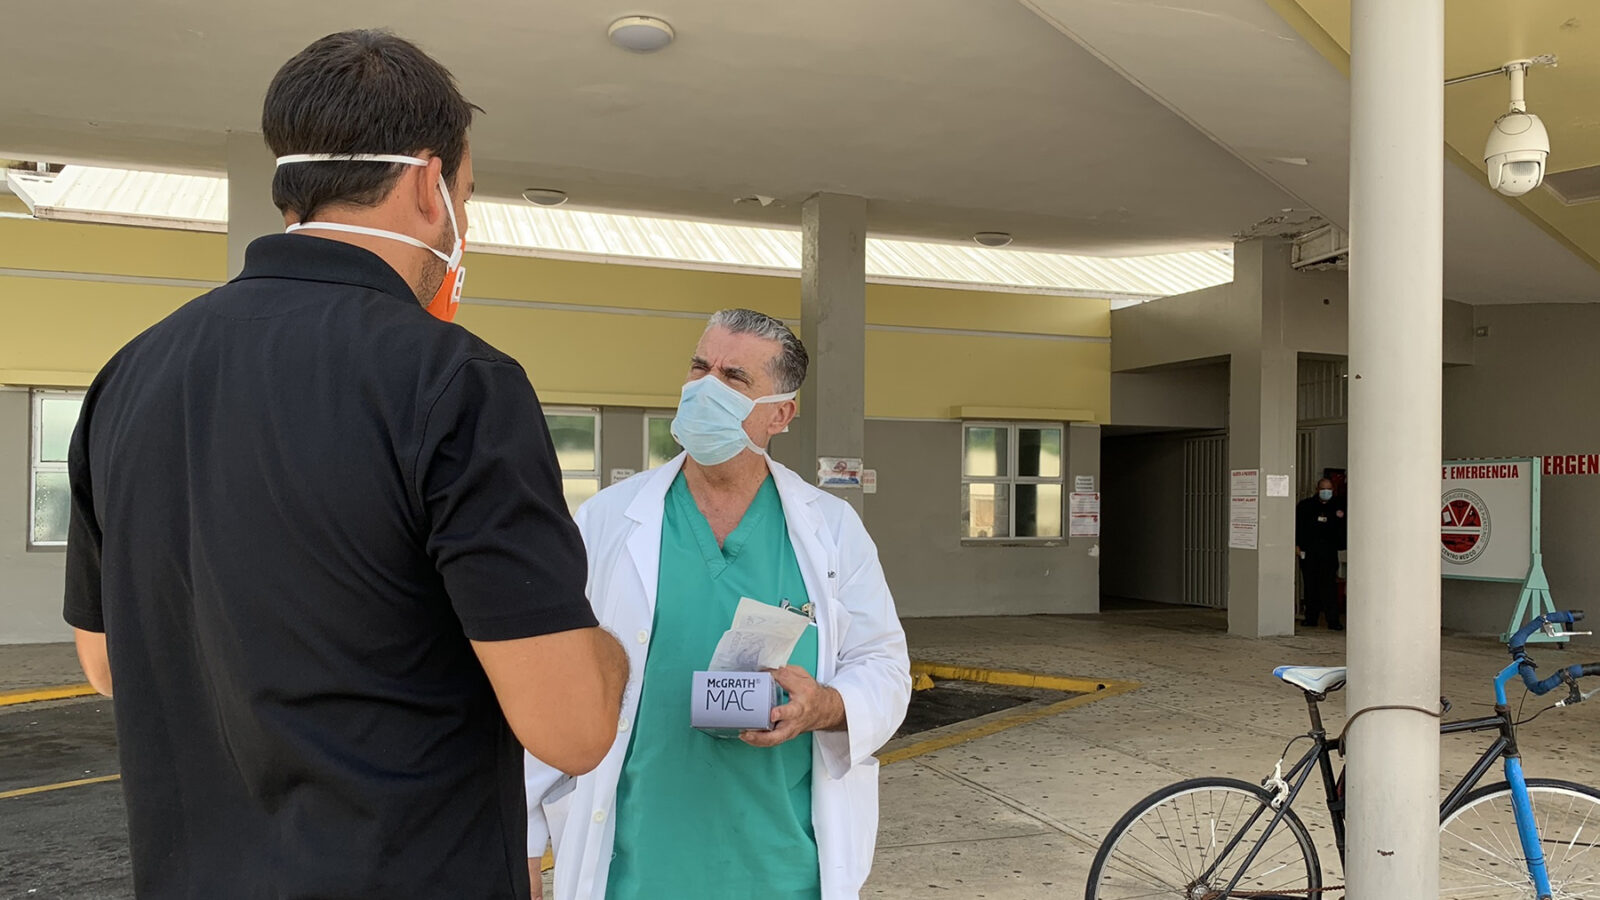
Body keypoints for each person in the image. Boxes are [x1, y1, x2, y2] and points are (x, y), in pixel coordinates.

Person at [63, 30, 627, 899]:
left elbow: (107, 664)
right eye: (467, 195)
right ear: (429, 185)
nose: (464, 220)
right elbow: (573, 728)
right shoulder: (457, 383)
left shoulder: (129, 376)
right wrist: (606, 654)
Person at [525, 309, 911, 900]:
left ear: (780, 414)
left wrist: (826, 706)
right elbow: (553, 677)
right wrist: (526, 838)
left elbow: (883, 664)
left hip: (783, 869)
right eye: (699, 366)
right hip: (636, 866)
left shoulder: (832, 530)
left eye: (734, 377)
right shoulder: (607, 520)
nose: (705, 387)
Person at [1295, 478, 1347, 630]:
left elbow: (1343, 529)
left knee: (1329, 586)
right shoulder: (1305, 506)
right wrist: (1297, 545)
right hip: (1309, 552)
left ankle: (1333, 620)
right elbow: (1297, 526)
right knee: (1310, 585)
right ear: (1317, 489)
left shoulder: (1339, 506)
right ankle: (1311, 618)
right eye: (1323, 489)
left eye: (1329, 489)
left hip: (1329, 552)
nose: (1326, 492)